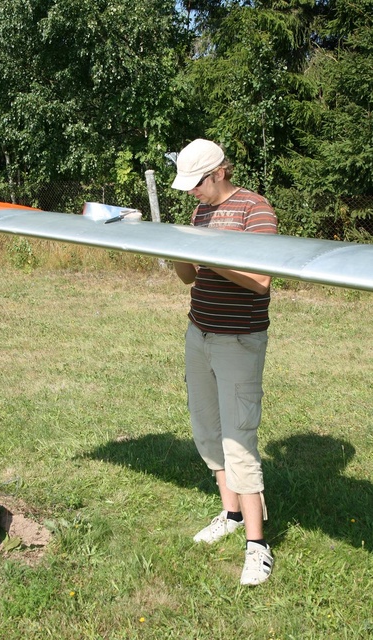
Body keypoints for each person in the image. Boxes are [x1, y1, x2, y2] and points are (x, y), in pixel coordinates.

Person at [171, 139, 277, 586]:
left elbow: (260, 280)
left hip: (239, 340)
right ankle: (230, 514)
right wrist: (179, 252)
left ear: (219, 172)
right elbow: (190, 276)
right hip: (200, 332)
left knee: (239, 439)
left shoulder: (256, 210)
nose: (192, 192)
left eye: (197, 183)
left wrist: (212, 254)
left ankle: (258, 546)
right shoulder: (200, 213)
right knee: (207, 428)